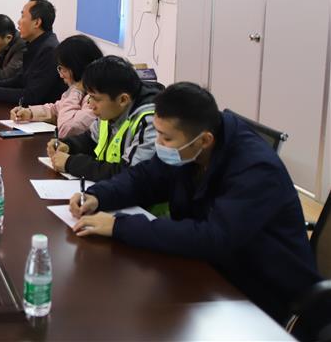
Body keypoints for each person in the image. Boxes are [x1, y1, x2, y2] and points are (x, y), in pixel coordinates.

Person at [69, 83, 320, 323]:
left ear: (204, 140)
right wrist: (99, 195)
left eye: (166, 138)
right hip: (208, 273)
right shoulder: (190, 147)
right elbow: (146, 178)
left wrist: (119, 226)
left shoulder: (256, 169)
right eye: (158, 134)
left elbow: (214, 237)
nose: (159, 144)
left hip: (262, 292)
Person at [47, 56, 163, 181]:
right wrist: (68, 145)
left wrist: (71, 163)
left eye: (95, 98)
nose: (90, 105)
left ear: (123, 100)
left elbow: (130, 173)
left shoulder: (152, 120)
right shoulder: (111, 110)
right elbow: (91, 139)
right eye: (89, 97)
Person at [0, 0, 65, 105]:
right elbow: (20, 80)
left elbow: (32, 96)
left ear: (37, 22)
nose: (18, 22)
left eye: (23, 16)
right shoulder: (35, 44)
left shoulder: (49, 50)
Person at [10, 34, 102, 138]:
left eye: (63, 69)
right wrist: (30, 113)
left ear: (76, 68)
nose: (61, 75)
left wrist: (76, 91)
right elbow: (57, 109)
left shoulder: (96, 97)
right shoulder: (77, 89)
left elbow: (66, 130)